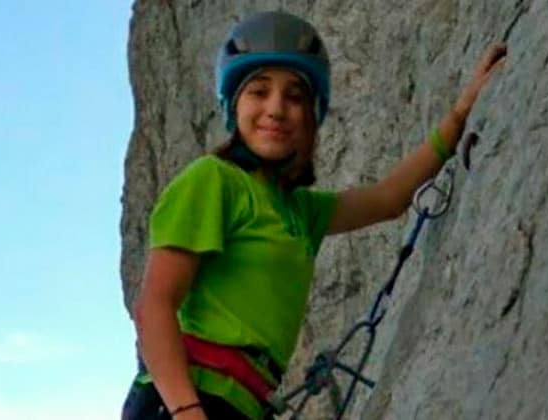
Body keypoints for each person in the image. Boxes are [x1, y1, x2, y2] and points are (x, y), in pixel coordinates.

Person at [121, 10, 507, 420]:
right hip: (186, 399)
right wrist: (187, 411)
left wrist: (459, 115)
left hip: (239, 404)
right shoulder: (213, 180)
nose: (276, 108)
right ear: (233, 105)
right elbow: (155, 305)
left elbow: (388, 198)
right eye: (259, 91)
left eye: (294, 96)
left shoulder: (300, 211)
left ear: (311, 115)